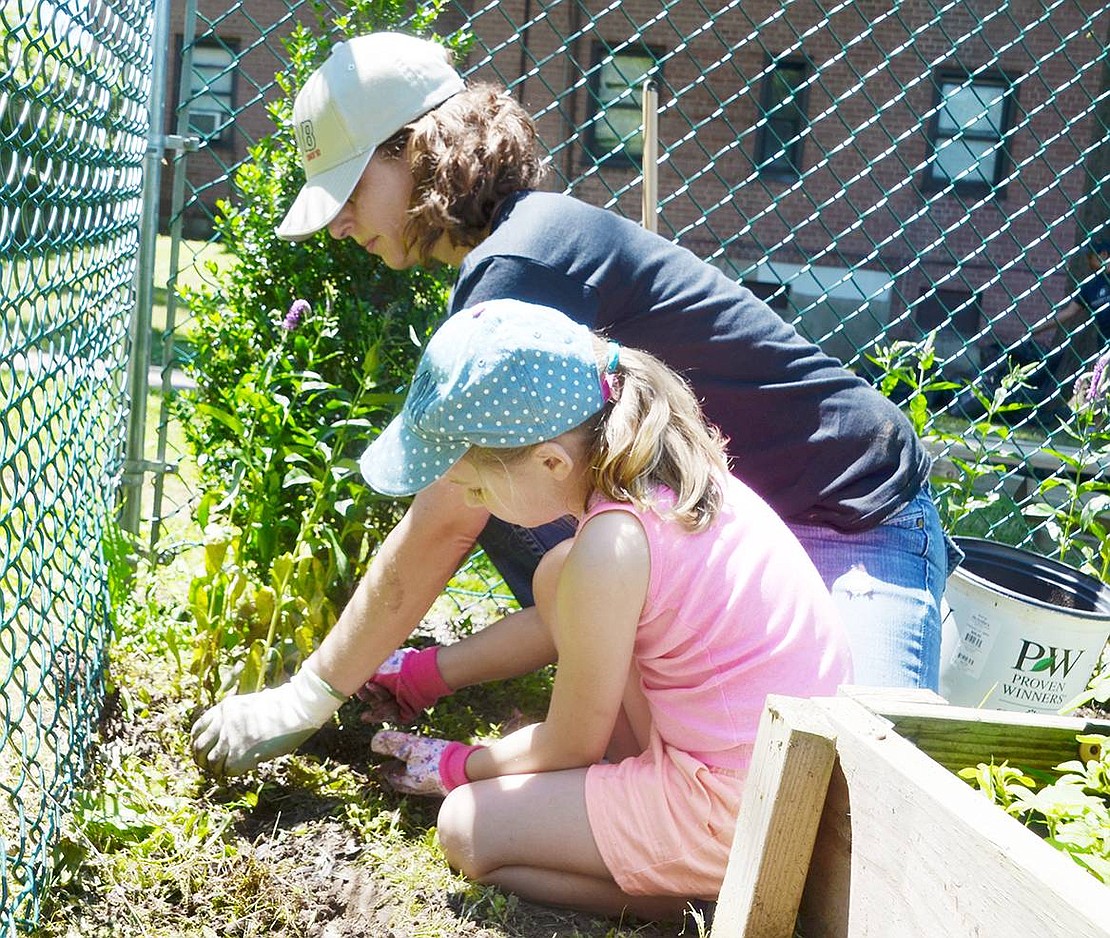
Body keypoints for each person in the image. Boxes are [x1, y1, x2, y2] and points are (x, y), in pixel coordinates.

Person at [190, 31, 955, 780]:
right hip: (722, 544)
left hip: (846, 512)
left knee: (857, 787)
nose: (338, 221)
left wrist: (308, 695)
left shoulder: (520, 261)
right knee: (501, 479)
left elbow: (442, 522)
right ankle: (612, 730)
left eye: (349, 189)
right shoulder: (512, 251)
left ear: (413, 149)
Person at [362, 297, 851, 918]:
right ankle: (651, 832)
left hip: (738, 814)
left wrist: (461, 766)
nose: (468, 499)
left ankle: (701, 900)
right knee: (555, 575)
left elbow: (572, 743)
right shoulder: (665, 486)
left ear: (550, 462)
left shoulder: (612, 548)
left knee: (466, 828)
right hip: (779, 776)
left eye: (477, 487)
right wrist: (426, 674)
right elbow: (562, 623)